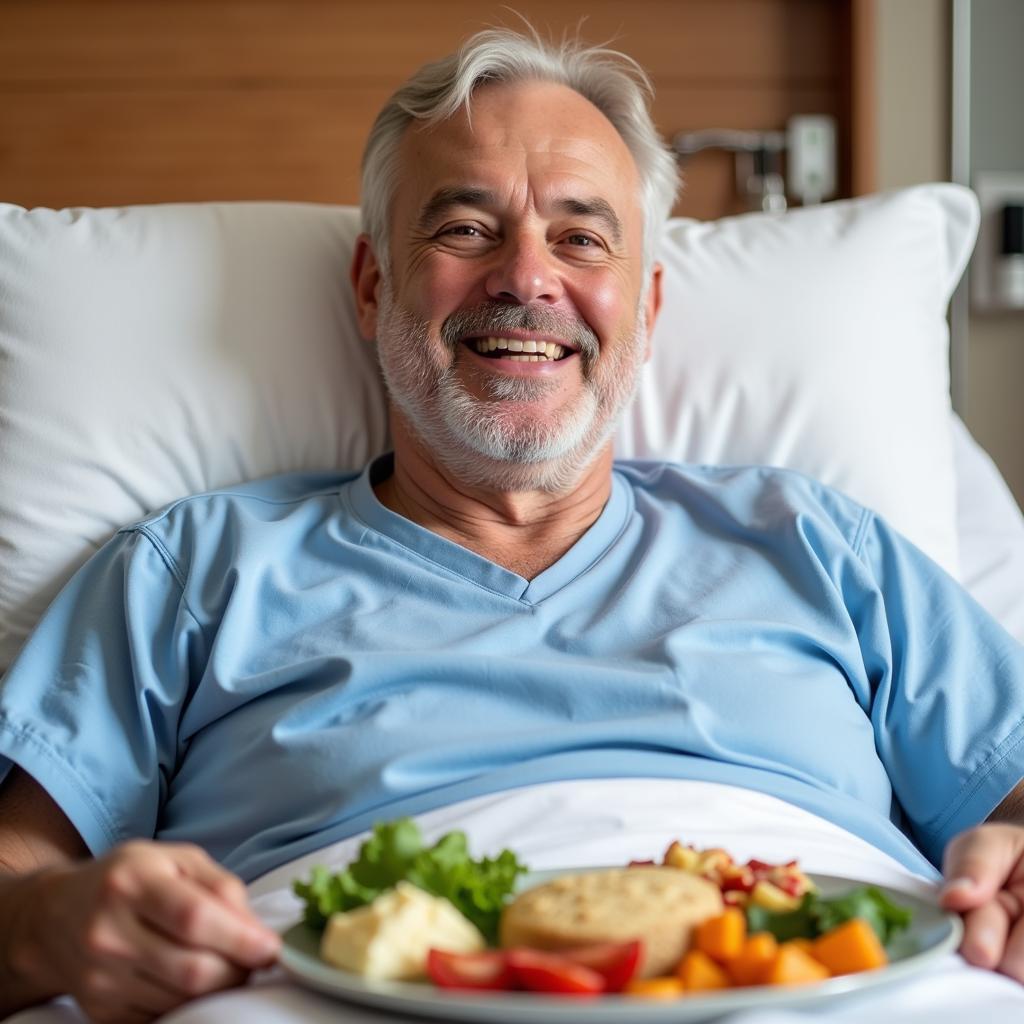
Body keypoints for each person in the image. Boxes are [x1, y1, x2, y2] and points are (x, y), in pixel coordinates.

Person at [2, 24, 1024, 1024]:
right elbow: (23, 870)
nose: (527, 278)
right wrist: (51, 926)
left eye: (580, 237)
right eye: (463, 228)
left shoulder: (816, 543)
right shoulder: (195, 569)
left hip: (816, 973)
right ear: (372, 285)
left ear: (649, 308)